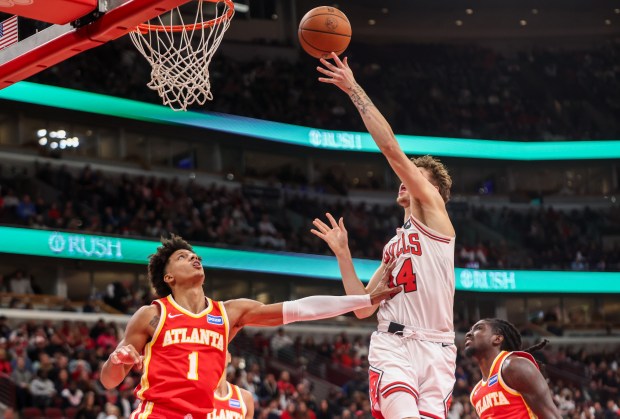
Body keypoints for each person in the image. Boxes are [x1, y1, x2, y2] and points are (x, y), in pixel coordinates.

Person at [100, 235, 398, 418]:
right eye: (182, 257)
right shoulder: (151, 315)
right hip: (158, 415)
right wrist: (117, 360)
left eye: (196, 256)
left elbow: (300, 309)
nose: (194, 258)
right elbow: (109, 381)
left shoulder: (229, 312)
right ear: (168, 278)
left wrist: (362, 300)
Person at [313, 53, 457, 419]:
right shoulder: (395, 244)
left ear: (434, 189)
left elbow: (392, 150)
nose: (404, 179)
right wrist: (343, 254)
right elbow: (362, 306)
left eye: (415, 175)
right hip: (394, 343)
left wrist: (353, 88)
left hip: (439, 348)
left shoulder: (436, 215)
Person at [464, 318, 561, 418]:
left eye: (478, 328)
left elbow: (552, 416)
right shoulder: (475, 394)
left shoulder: (514, 366)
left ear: (497, 339)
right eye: (470, 330)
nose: (468, 333)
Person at [209, 352, 254, 419]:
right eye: (215, 350)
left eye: (222, 348)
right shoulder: (198, 396)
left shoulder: (245, 397)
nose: (219, 353)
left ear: (229, 357)